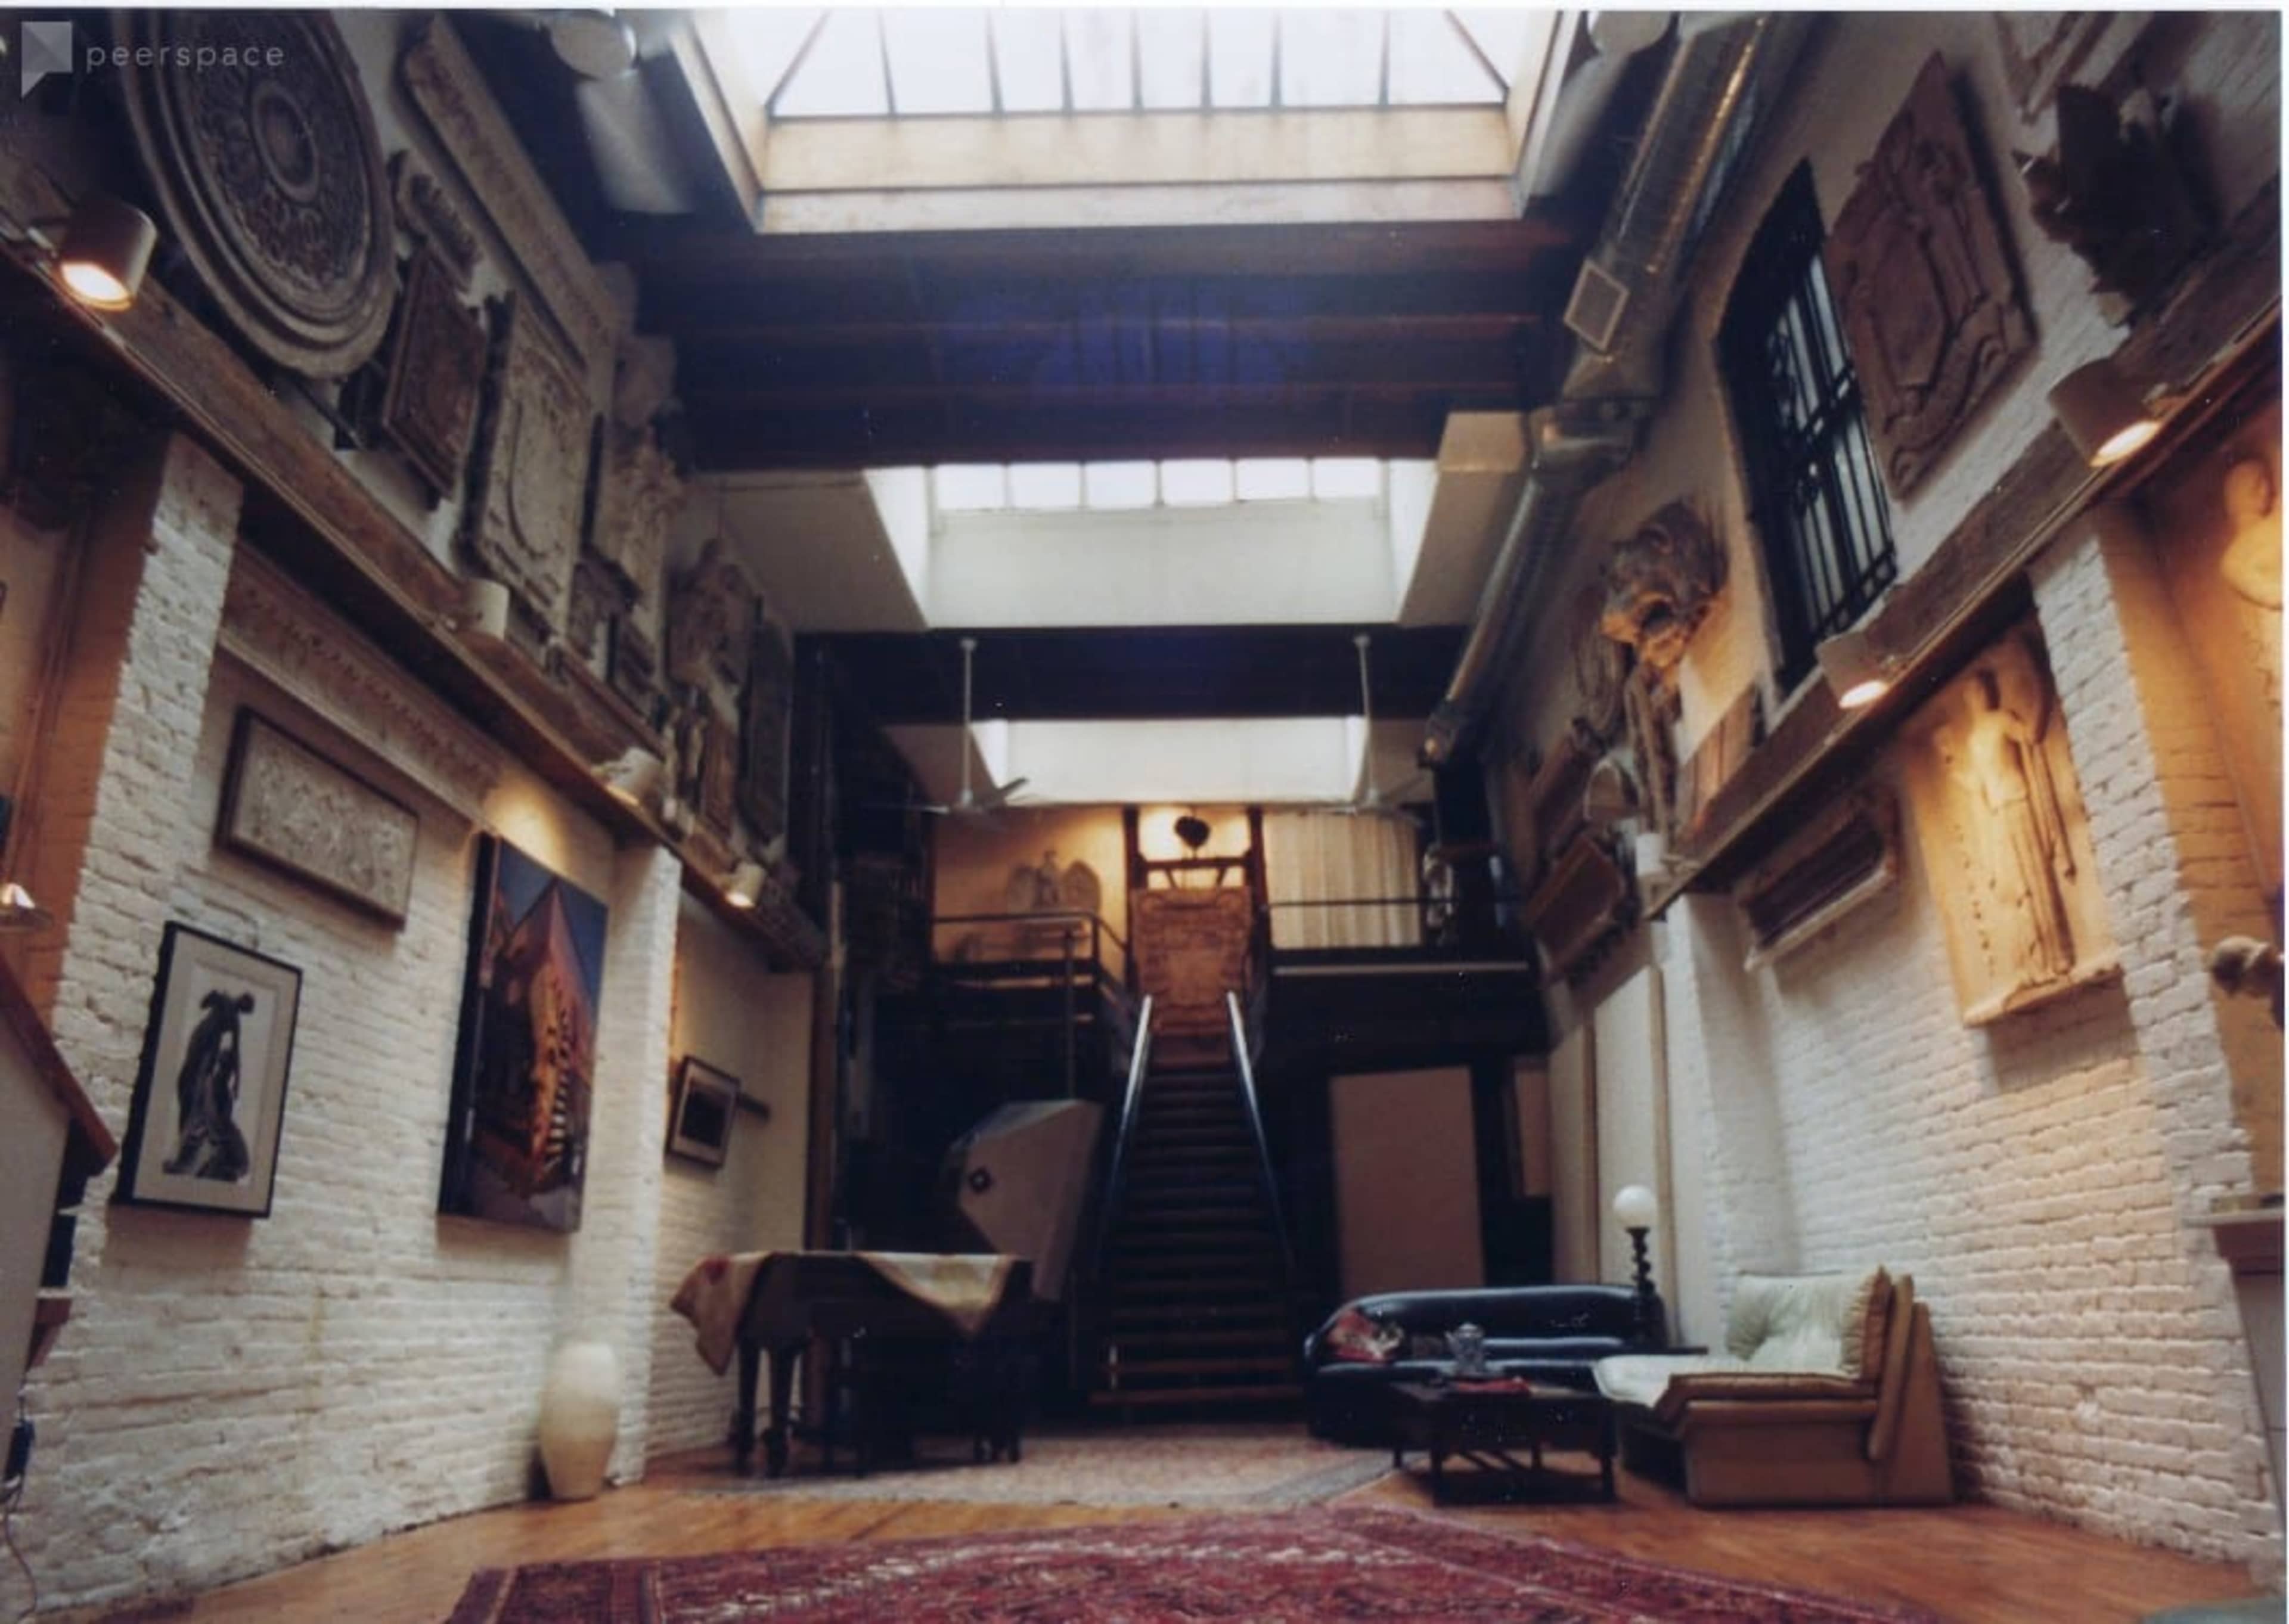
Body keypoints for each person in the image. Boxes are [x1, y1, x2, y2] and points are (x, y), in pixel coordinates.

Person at [1952, 657, 2077, 993]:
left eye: (1983, 689)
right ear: (1969, 700)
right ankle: (2033, 964)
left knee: (2035, 878)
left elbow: (2032, 734)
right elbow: (1977, 783)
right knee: (2015, 887)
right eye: (1974, 693)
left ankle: (2057, 957)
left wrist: (2040, 687)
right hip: (1998, 813)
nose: (1980, 696)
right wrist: (1951, 763)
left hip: (2018, 801)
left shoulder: (2001, 721)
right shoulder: (1973, 739)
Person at [164, 989, 256, 1182]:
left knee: (196, 1108)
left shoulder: (228, 1013)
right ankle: (183, 1156)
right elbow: (234, 1051)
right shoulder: (226, 1009)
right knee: (191, 1101)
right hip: (202, 1052)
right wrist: (236, 1082)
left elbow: (235, 1052)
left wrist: (236, 1082)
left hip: (204, 1057)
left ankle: (185, 1156)